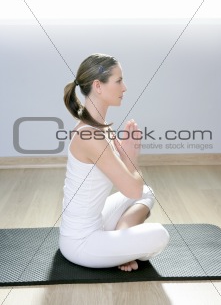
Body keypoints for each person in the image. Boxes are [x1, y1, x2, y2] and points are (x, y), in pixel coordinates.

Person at [59, 53, 169, 272]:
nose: (125, 87)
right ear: (98, 86)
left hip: (96, 223)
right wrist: (132, 155)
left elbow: (135, 189)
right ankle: (119, 246)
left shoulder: (100, 128)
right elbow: (132, 191)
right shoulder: (91, 137)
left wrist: (126, 153)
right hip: (81, 243)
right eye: (119, 81)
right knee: (160, 235)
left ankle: (121, 236)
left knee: (148, 191)